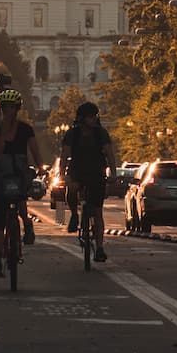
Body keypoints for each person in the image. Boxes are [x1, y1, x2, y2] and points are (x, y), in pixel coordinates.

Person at [0, 87, 44, 278]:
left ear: (17, 108)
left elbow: (35, 150)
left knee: (22, 203)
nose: (8, 111)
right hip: (1, 174)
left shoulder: (26, 129)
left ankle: (27, 224)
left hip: (19, 172)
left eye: (12, 108)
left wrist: (41, 167)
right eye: (5, 108)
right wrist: (5, 130)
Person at [60, 101, 115, 262]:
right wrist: (63, 174)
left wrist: (114, 173)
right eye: (90, 116)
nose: (93, 119)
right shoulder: (72, 134)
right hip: (77, 171)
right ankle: (74, 215)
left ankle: (99, 248)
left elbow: (110, 154)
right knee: (71, 190)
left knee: (97, 212)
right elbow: (64, 155)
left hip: (96, 172)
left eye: (94, 116)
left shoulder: (101, 133)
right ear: (82, 118)